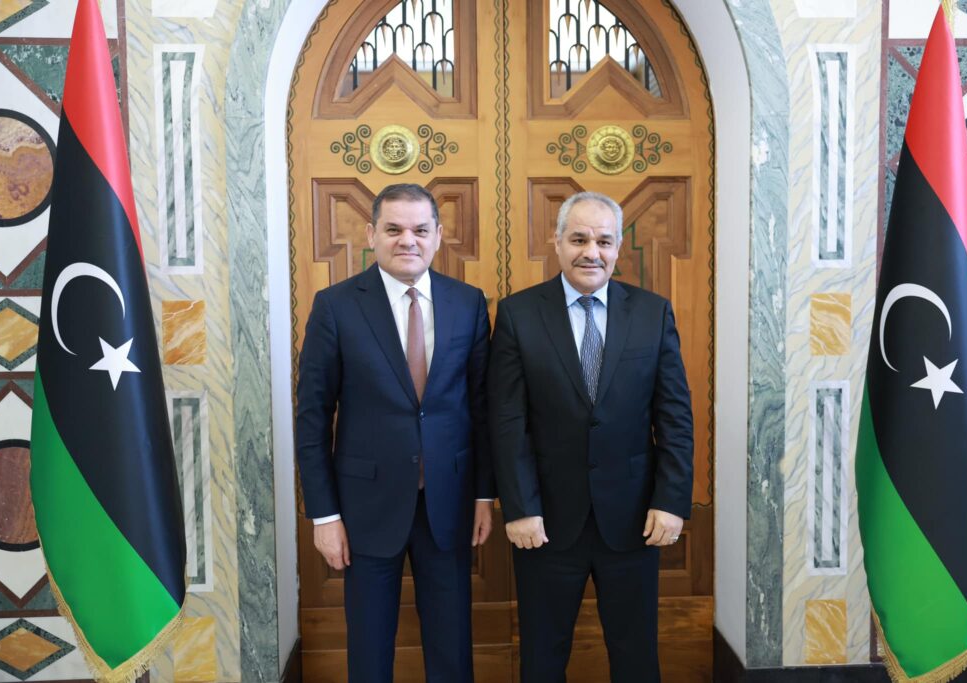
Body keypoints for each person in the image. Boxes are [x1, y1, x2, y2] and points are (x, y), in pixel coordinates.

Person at [488, 191, 694, 682]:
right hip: (545, 525)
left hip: (633, 522)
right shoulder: (518, 314)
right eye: (579, 238)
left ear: (618, 248)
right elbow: (507, 420)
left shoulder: (652, 313)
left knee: (636, 654)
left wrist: (672, 501)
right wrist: (519, 507)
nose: (591, 251)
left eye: (603, 240)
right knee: (542, 654)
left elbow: (674, 417)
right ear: (557, 243)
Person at [295, 183, 494, 683]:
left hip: (448, 505)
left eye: (420, 230)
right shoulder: (336, 306)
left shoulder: (468, 303)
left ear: (438, 236)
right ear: (372, 234)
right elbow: (313, 416)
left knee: (452, 648)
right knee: (369, 648)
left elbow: (483, 408)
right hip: (364, 510)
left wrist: (484, 497)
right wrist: (324, 515)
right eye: (394, 229)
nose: (408, 240)